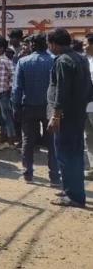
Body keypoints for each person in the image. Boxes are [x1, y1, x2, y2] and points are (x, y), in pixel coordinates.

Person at [47, 27, 91, 207]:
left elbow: (62, 92)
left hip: (65, 116)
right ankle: (71, 189)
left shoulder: (62, 61)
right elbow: (89, 87)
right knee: (74, 153)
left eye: (50, 44)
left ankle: (73, 195)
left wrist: (56, 116)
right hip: (78, 112)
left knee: (66, 154)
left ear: (54, 44)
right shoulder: (80, 58)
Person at [13, 34, 58, 185]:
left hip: (28, 106)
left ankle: (28, 174)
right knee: (52, 142)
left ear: (32, 45)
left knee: (28, 141)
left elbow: (17, 88)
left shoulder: (23, 62)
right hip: (50, 107)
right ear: (46, 44)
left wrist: (16, 107)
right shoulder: (54, 61)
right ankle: (54, 177)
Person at [84, 33, 93, 181]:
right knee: (89, 136)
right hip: (87, 106)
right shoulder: (87, 61)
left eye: (86, 44)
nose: (84, 46)